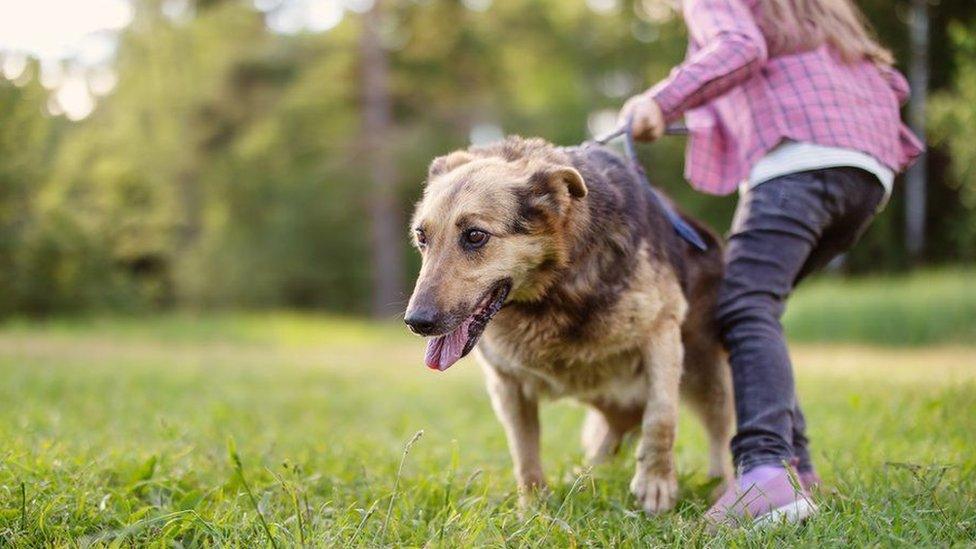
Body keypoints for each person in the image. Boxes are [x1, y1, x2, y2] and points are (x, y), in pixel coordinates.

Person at [618, 0, 923, 528]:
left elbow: (739, 48)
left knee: (741, 305)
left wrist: (658, 102)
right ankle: (796, 472)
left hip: (799, 166)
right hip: (867, 173)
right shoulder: (816, 9)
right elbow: (889, 83)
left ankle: (764, 470)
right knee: (753, 307)